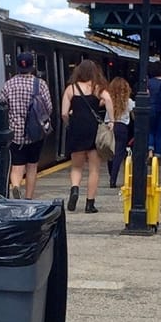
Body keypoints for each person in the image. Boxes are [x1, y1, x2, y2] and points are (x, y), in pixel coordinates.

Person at [1, 49, 53, 199]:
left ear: (18, 66)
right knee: (32, 166)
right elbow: (48, 108)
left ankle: (16, 186)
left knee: (17, 166)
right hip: (35, 134)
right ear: (32, 66)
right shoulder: (40, 84)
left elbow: (3, 107)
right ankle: (29, 198)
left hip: (15, 133)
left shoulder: (8, 85)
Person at [60, 58, 108, 213]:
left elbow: (64, 113)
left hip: (76, 129)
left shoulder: (70, 89)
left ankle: (74, 189)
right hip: (93, 130)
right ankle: (90, 204)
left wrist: (69, 123)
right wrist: (112, 120)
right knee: (94, 169)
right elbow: (108, 99)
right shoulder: (97, 88)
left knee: (76, 167)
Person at [104, 70, 134, 189]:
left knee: (110, 152)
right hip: (122, 127)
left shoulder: (108, 99)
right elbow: (134, 115)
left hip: (109, 126)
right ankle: (113, 179)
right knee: (119, 153)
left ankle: (111, 174)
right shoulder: (129, 102)